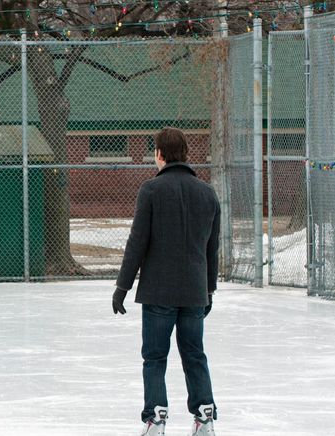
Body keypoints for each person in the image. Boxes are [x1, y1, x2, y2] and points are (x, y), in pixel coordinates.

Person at [112, 127, 219, 436]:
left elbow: (137, 242)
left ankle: (156, 419)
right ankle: (205, 416)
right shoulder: (207, 193)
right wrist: (209, 289)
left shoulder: (151, 190)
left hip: (159, 291)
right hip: (194, 292)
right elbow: (212, 248)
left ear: (159, 154)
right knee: (194, 354)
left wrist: (122, 286)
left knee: (155, 357)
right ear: (185, 154)